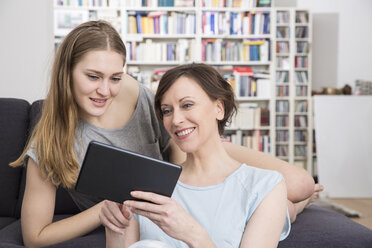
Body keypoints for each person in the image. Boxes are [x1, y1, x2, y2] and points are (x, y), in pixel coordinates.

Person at [10, 20, 317, 247]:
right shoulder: (50, 140)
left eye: (115, 77)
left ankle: (297, 201)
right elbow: (34, 236)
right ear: (66, 73)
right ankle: (289, 208)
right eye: (93, 76)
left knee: (299, 184)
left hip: (186, 159)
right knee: (274, 205)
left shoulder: (136, 94)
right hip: (146, 202)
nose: (105, 90)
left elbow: (178, 139)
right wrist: (102, 210)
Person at [104, 63, 291, 247]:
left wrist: (192, 234)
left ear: (219, 108)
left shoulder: (265, 186)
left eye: (187, 105)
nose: (176, 120)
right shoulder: (145, 185)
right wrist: (114, 229)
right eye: (167, 111)